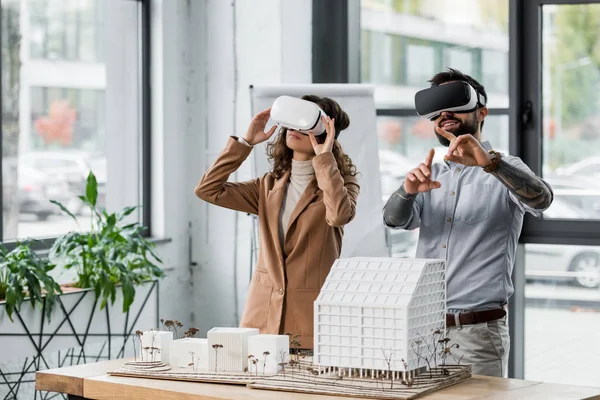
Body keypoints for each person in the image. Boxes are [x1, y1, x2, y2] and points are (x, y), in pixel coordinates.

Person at [382, 68, 553, 377]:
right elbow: (393, 220)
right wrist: (406, 192)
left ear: (482, 112)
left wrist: (492, 165)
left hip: (477, 334)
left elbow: (541, 199)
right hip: (424, 327)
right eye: (436, 111)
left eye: (455, 103)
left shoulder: (506, 167)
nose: (444, 113)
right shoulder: (430, 174)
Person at [195, 95, 360, 350]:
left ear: (325, 132)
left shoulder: (341, 184)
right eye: (293, 122)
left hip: (308, 318)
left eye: (306, 123)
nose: (295, 129)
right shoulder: (267, 186)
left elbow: (338, 215)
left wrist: (324, 158)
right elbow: (208, 189)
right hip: (262, 314)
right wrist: (245, 142)